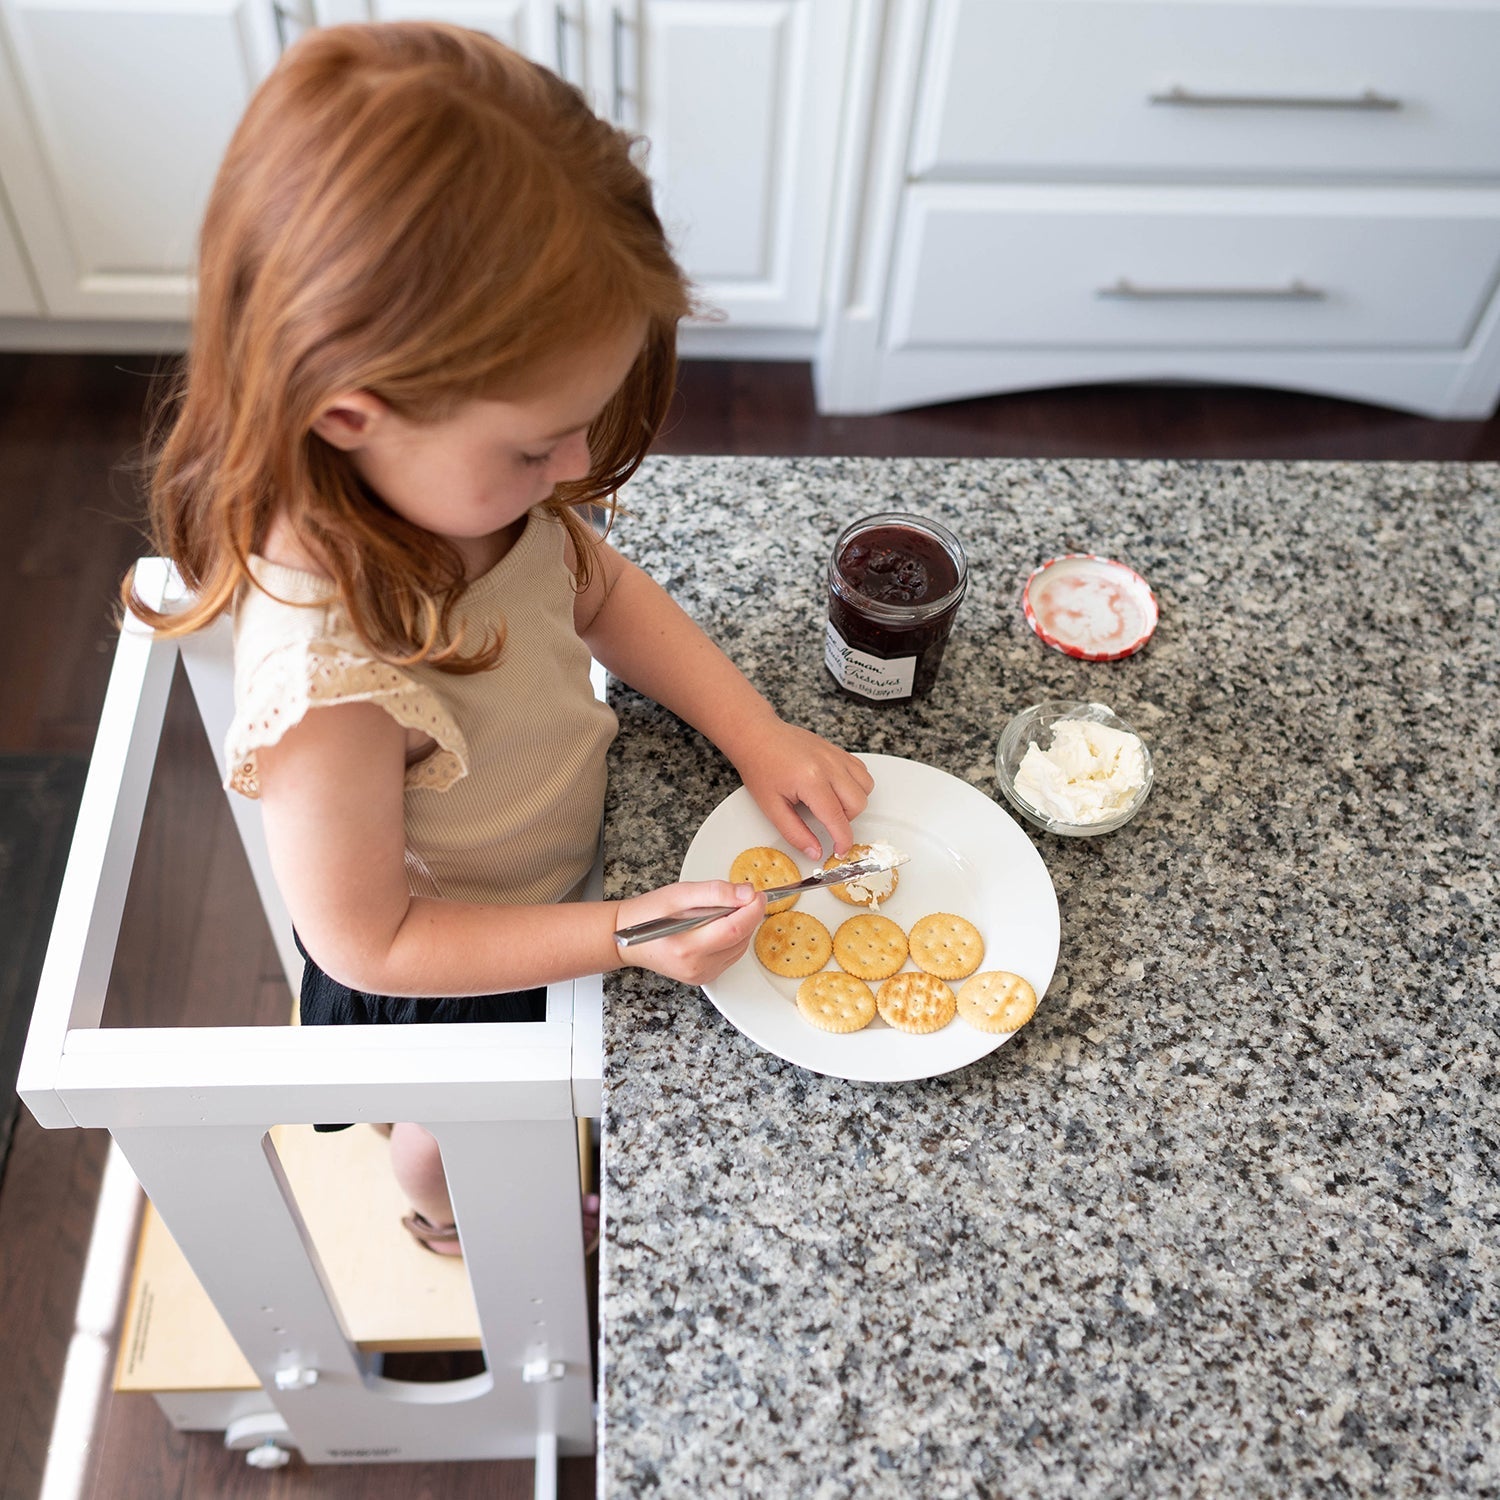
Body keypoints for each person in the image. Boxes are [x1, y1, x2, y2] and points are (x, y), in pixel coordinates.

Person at [124, 21, 872, 1256]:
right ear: (350, 415)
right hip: (452, 956)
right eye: (537, 446)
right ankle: (437, 1219)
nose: (576, 469)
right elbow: (372, 939)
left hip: (567, 872)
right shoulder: (331, 680)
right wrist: (625, 933)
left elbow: (601, 594)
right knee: (449, 1131)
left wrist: (757, 731)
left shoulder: (474, 497)